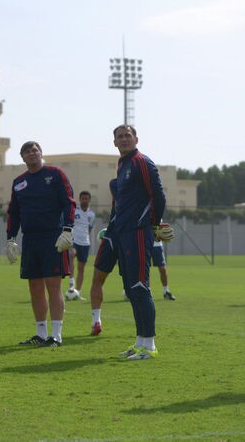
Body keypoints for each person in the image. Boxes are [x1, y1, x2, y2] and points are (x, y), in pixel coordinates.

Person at [112, 124, 172, 360]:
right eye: (120, 137)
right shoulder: (123, 164)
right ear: (114, 142)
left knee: (139, 286)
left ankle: (150, 345)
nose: (124, 139)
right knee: (130, 289)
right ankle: (139, 342)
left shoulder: (141, 161)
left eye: (128, 135)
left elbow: (158, 195)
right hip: (123, 233)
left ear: (136, 138)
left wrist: (154, 224)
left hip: (138, 231)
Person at [6, 141, 76, 347]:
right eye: (27, 151)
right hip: (30, 239)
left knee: (53, 285)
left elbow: (68, 202)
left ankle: (56, 335)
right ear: (22, 157)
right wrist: (11, 237)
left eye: (35, 150)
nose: (32, 153)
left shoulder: (55, 174)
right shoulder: (18, 181)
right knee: (34, 287)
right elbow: (14, 212)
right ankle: (41, 333)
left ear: (41, 153)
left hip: (52, 237)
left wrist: (67, 229)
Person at [88, 179, 119, 336]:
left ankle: (96, 321)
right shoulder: (145, 192)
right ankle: (143, 334)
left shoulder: (116, 183)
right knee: (136, 285)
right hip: (132, 239)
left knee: (97, 280)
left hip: (113, 237)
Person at [66, 191, 95, 301]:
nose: (84, 200)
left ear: (89, 200)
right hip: (74, 240)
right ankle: (71, 280)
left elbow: (89, 229)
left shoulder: (91, 215)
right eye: (83, 198)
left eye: (86, 198)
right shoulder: (74, 211)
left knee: (81, 268)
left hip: (85, 243)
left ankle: (77, 292)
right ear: (80, 199)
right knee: (71, 254)